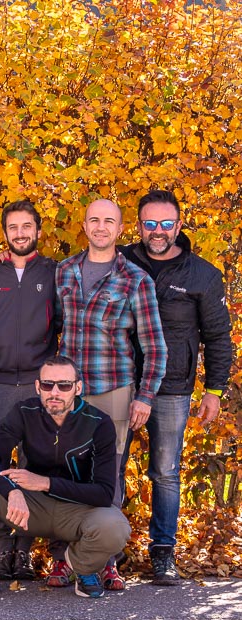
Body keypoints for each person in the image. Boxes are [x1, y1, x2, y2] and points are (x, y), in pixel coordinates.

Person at [0, 355, 131, 601]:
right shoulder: (25, 412)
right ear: (38, 387)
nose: (55, 392)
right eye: (47, 385)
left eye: (64, 385)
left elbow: (103, 493)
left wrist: (45, 483)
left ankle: (82, 568)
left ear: (77, 388)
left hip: (78, 511)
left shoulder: (99, 423)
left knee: (116, 526)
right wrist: (11, 491)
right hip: (30, 508)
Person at [120, 190, 233, 585]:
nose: (157, 231)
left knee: (165, 471)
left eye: (166, 223)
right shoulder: (121, 263)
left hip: (173, 386)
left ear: (179, 225)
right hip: (120, 381)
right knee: (109, 467)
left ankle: (163, 552)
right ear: (138, 226)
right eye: (149, 223)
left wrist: (215, 390)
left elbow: (218, 337)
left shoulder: (202, 274)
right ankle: (108, 553)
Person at [55, 198, 166, 590]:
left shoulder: (136, 279)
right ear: (84, 226)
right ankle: (63, 559)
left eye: (109, 222)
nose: (101, 227)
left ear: (120, 230)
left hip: (114, 390)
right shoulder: (64, 271)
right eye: (94, 220)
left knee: (109, 477)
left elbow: (154, 346)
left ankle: (105, 562)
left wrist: (145, 396)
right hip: (67, 393)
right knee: (62, 471)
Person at [0, 199, 60, 581]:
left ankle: (23, 551)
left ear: (37, 231)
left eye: (27, 226)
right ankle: (0, 548)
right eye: (14, 227)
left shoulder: (54, 272)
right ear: (5, 233)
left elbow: (59, 323)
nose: (20, 233)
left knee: (31, 466)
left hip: (35, 385)